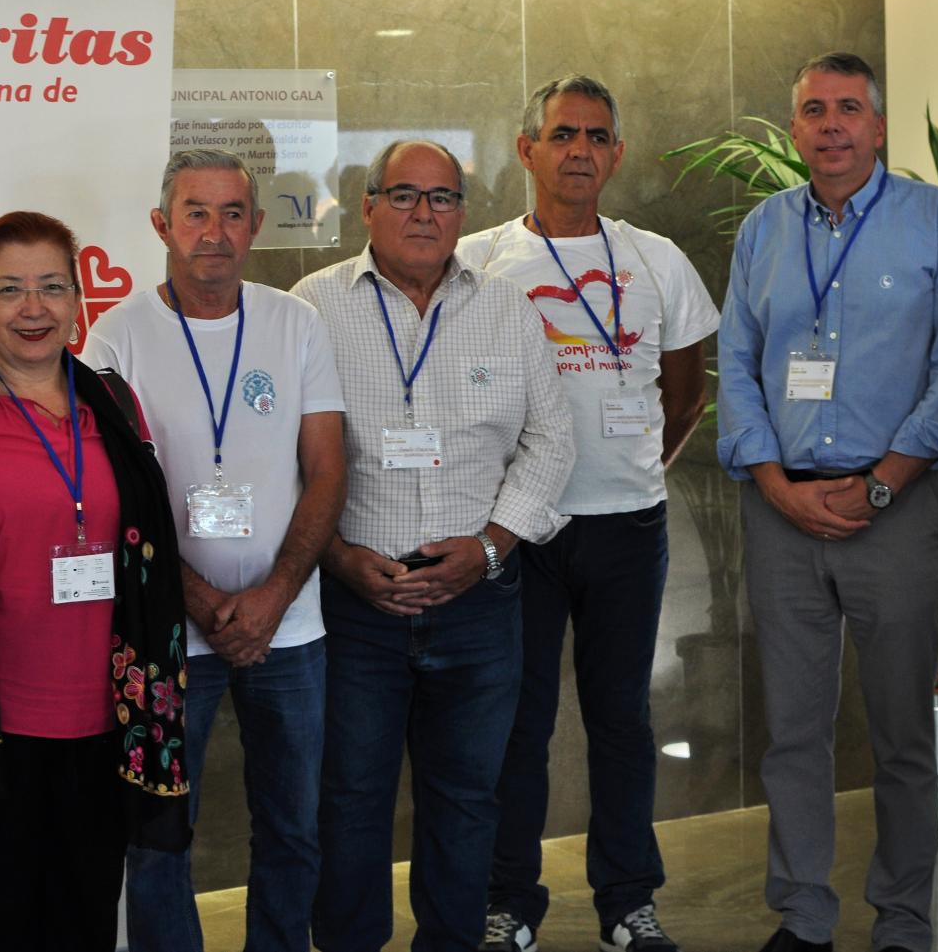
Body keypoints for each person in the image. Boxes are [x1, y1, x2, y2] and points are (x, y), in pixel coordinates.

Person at [717, 52, 938, 952]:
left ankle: (905, 919)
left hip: (894, 508)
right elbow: (739, 366)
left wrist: (882, 483)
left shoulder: (937, 222)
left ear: (878, 127)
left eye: (847, 110)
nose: (830, 126)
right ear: (794, 129)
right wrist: (774, 487)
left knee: (903, 731)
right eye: (812, 111)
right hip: (782, 510)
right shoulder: (763, 229)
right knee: (792, 731)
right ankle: (803, 915)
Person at [292, 140, 575, 952]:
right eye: (405, 195)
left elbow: (551, 441)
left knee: (466, 799)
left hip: (478, 601)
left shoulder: (508, 309)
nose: (424, 213)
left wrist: (489, 546)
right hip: (355, 601)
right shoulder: (312, 308)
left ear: (463, 211)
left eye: (443, 198)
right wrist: (340, 557)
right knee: (349, 799)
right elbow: (284, 456)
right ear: (368, 205)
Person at [458, 74, 718, 952]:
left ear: (615, 152)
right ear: (526, 149)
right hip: (520, 532)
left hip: (626, 530)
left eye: (596, 135)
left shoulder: (655, 259)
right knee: (517, 724)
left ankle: (628, 902)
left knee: (622, 722)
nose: (580, 149)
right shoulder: (480, 260)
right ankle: (508, 902)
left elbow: (685, 397)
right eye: (562, 133)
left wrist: (631, 471)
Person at [0, 211, 189, 952]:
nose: (35, 308)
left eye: (54, 287)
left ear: (79, 301)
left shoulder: (115, 405)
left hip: (106, 724)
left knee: (86, 925)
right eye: (10, 289)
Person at [82, 148, 347, 952]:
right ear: (162, 224)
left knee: (294, 829)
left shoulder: (295, 322)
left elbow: (329, 468)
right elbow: (113, 493)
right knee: (160, 836)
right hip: (170, 636)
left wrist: (272, 597)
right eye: (195, 212)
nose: (215, 231)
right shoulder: (116, 335)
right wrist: (198, 600)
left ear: (258, 227)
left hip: (291, 630)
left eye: (234, 212)